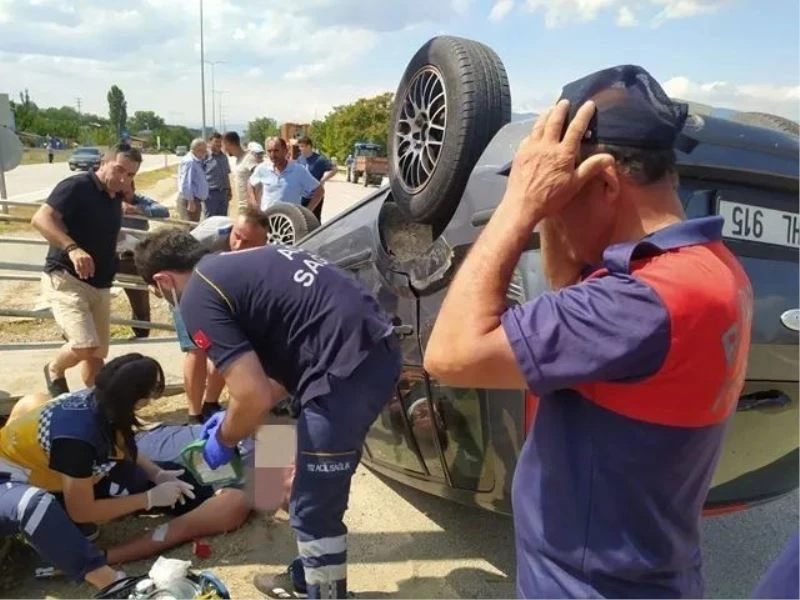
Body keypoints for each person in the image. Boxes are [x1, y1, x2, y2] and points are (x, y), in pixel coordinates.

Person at [423, 65, 754, 599]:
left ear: (602, 182)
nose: (550, 205)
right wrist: (557, 213)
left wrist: (520, 207)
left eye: (562, 192)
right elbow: (565, 291)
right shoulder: (709, 268)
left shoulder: (641, 303)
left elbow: (450, 354)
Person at [134, 228, 402, 599]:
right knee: (307, 484)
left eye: (157, 291)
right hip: (367, 354)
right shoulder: (243, 262)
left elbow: (254, 394)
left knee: (312, 508)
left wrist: (224, 439)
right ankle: (309, 575)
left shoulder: (197, 294)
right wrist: (232, 414)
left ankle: (325, 594)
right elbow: (274, 380)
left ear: (162, 280)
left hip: (343, 374)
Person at [0, 354, 199, 591]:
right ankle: (112, 584)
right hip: (9, 479)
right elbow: (82, 510)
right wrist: (149, 499)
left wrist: (156, 473)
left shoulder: (101, 400)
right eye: (152, 393)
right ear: (138, 400)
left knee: (130, 478)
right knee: (80, 502)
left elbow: (123, 443)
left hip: (44, 470)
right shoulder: (76, 436)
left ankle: (69, 519)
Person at [5, 392, 255, 571]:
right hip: (121, 444)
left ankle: (45, 509)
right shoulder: (269, 430)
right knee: (34, 401)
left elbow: (173, 532)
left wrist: (100, 558)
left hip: (99, 483)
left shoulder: (236, 499)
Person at [32, 143, 143, 397]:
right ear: (104, 162)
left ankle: (100, 407)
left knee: (96, 356)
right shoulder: (76, 187)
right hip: (66, 278)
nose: (124, 178)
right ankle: (54, 369)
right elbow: (40, 219)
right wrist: (72, 247)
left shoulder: (115, 198)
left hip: (101, 283)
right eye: (120, 170)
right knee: (84, 345)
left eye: (131, 175)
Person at [157, 207, 270, 424]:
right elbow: (169, 259)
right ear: (233, 227)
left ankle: (211, 403)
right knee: (196, 349)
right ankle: (194, 413)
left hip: (222, 296)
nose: (238, 245)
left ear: (262, 244)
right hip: (185, 292)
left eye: (249, 243)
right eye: (237, 236)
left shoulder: (261, 256)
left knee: (221, 346)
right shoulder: (206, 238)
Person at [118, 180, 170, 338]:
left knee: (139, 299)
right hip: (111, 256)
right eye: (120, 194)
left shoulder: (140, 201)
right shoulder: (108, 202)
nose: (123, 199)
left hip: (134, 257)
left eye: (126, 194)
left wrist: (137, 210)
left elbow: (163, 211)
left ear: (133, 189)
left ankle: (141, 334)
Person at [248, 137, 323, 211]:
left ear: (285, 151)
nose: (272, 155)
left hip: (290, 220)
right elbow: (250, 183)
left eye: (276, 150)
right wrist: (254, 203)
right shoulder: (263, 168)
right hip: (267, 219)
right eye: (269, 151)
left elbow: (319, 190)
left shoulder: (298, 170)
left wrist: (308, 211)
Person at [296, 136, 336, 221]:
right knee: (301, 220)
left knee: (314, 220)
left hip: (315, 196)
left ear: (309, 146)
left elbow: (334, 169)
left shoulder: (319, 160)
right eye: (299, 146)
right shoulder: (300, 158)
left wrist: (322, 180)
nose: (300, 149)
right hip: (301, 196)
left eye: (302, 146)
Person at [222, 131, 261, 212]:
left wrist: (254, 201)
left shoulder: (249, 159)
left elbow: (259, 180)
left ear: (228, 144)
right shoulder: (238, 160)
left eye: (223, 145)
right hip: (243, 205)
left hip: (251, 207)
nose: (224, 149)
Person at [177, 138, 209, 222]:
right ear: (197, 149)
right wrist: (190, 201)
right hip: (190, 201)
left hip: (194, 200)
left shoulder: (196, 161)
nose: (205, 153)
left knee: (193, 228)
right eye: (204, 151)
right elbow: (186, 183)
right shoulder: (190, 162)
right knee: (189, 228)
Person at [204, 132, 232, 218]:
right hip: (211, 194)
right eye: (216, 141)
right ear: (210, 143)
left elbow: (227, 174)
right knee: (210, 219)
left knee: (223, 219)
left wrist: (229, 190)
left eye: (220, 142)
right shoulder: (205, 157)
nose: (219, 144)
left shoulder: (224, 157)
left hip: (223, 193)